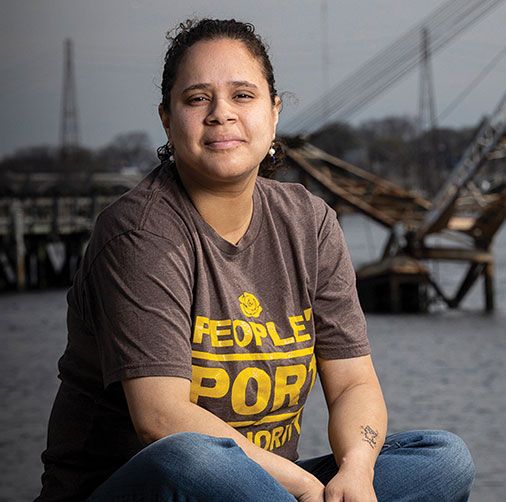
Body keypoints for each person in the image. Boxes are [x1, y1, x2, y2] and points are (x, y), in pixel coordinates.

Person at [36, 18, 474, 502]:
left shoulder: (310, 222)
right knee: (192, 455)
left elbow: (353, 384)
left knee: (442, 458)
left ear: (275, 110)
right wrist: (307, 488)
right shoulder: (139, 233)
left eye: (242, 95)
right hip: (138, 487)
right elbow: (161, 420)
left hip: (266, 488)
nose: (221, 113)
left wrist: (355, 472)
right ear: (167, 118)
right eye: (197, 98)